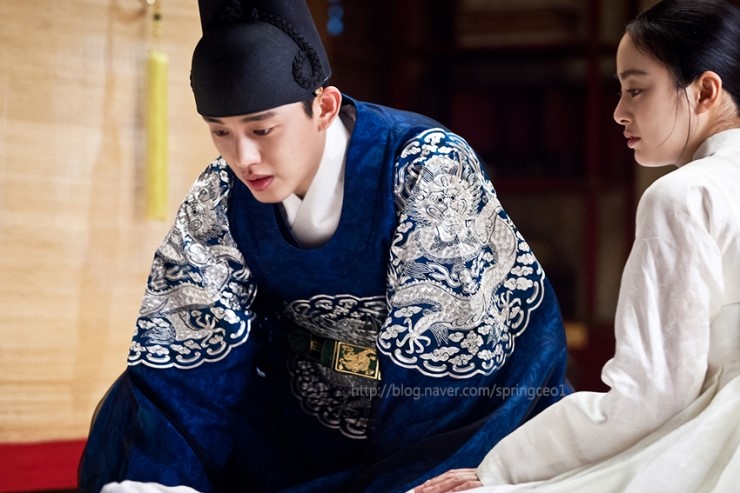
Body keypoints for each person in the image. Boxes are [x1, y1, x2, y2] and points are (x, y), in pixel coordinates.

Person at [77, 1, 572, 492]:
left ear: (324, 107)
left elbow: (450, 358)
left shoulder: (424, 164)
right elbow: (187, 344)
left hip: (457, 410)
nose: (243, 157)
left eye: (262, 129)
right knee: (143, 399)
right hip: (308, 408)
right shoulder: (223, 192)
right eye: (221, 132)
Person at [412, 0, 740, 492]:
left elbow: (650, 395)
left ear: (705, 90)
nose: (618, 112)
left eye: (636, 89)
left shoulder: (685, 195)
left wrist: (501, 469)